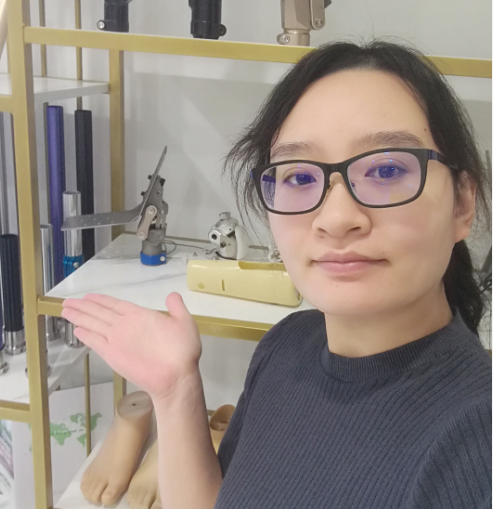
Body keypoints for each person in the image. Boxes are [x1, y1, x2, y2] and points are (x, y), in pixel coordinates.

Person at [61, 40, 492, 509]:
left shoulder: (476, 444)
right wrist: (175, 389)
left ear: (462, 203)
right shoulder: (287, 344)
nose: (336, 218)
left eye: (386, 170)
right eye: (300, 177)